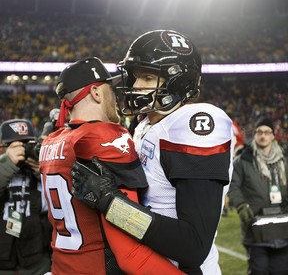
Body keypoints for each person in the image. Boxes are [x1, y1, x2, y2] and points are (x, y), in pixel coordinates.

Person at [71, 30, 236, 274]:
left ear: (177, 81)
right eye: (136, 77)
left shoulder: (194, 123)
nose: (136, 86)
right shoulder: (146, 125)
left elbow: (193, 245)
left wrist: (110, 202)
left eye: (147, 77)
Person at [39, 56, 184, 274]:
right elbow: (130, 252)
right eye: (110, 89)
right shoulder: (104, 136)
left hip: (62, 266)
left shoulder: (52, 141)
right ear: (96, 93)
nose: (116, 97)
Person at [228, 116, 288, 275]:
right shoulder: (243, 161)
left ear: (273, 136)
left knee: (281, 271)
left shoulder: (284, 160)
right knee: (259, 271)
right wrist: (241, 206)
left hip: (283, 228)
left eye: (267, 132)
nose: (263, 136)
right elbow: (233, 186)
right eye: (259, 132)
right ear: (254, 134)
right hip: (256, 227)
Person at [0, 119, 51, 275]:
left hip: (37, 262)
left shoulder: (41, 169)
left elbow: (57, 204)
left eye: (26, 144)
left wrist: (44, 171)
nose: (22, 150)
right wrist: (8, 163)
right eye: (15, 145)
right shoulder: (3, 165)